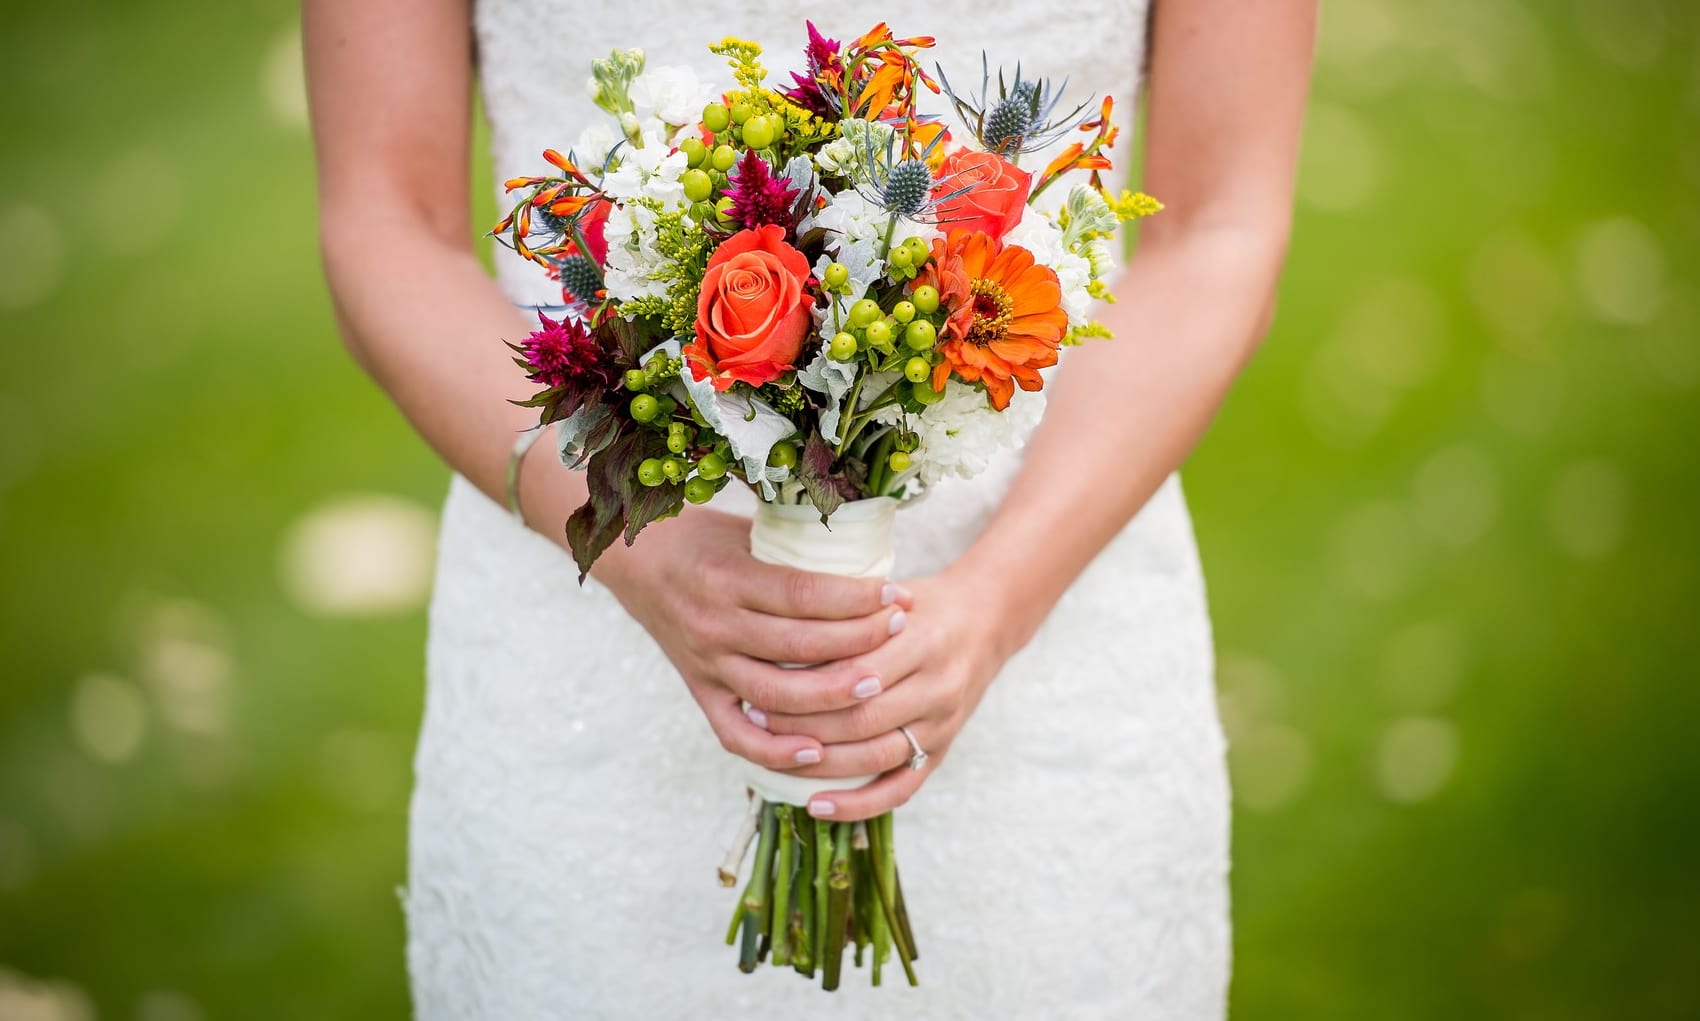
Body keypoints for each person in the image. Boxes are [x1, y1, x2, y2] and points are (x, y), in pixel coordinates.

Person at [304, 0, 1314, 1015]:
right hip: (579, 659)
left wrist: (999, 599)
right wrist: (639, 555)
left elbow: (1218, 224)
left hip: (1054, 646)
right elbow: (389, 219)